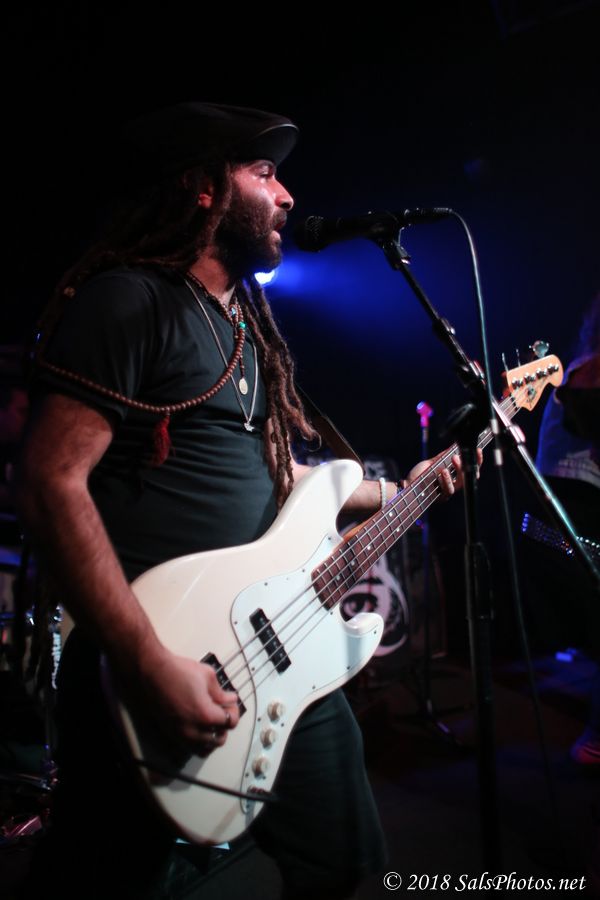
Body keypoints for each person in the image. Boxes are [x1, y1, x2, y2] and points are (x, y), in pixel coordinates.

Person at [17, 102, 471, 899]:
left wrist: (408, 489)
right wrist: (147, 663)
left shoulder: (245, 328)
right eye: (263, 173)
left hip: (279, 647)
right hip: (161, 656)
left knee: (342, 860)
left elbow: (282, 476)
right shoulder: (129, 300)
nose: (287, 194)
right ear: (203, 188)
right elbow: (50, 481)